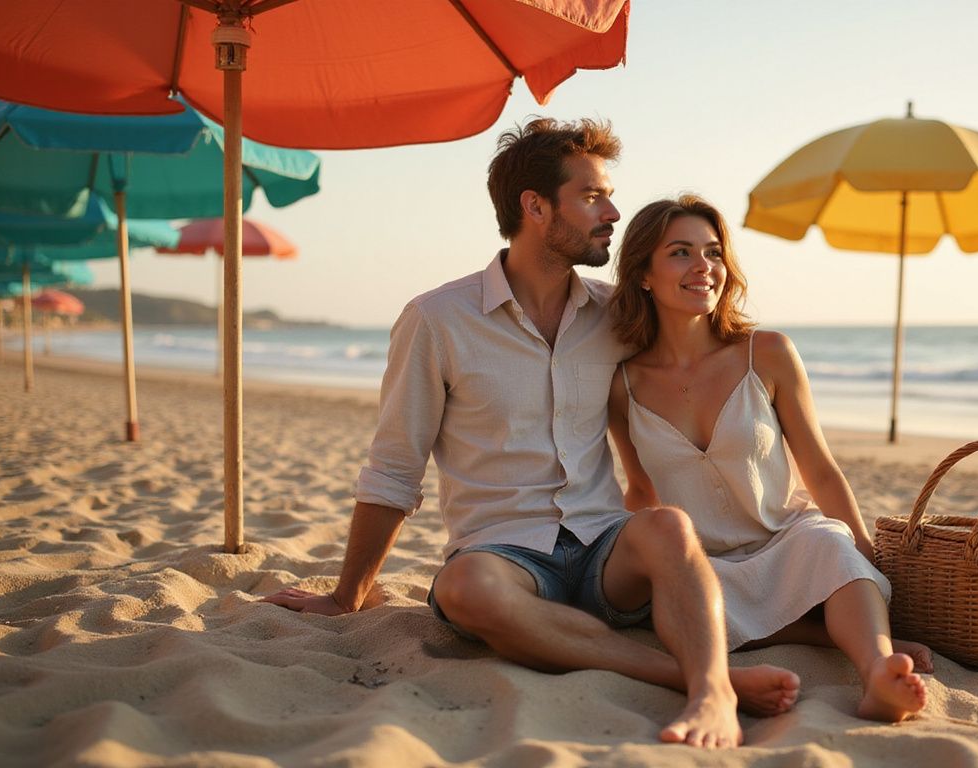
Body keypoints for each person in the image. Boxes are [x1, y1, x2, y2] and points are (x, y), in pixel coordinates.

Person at [262, 120, 800, 748]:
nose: (614, 212)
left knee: (668, 526)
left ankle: (714, 697)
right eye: (593, 196)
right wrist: (346, 595)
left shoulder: (616, 313)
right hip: (506, 553)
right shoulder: (437, 320)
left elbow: (694, 364)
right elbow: (394, 467)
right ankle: (701, 677)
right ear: (536, 207)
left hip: (607, 547)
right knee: (464, 588)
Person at [605, 195, 932, 723]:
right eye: (681, 253)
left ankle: (876, 674)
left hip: (789, 541)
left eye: (713, 253)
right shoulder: (623, 385)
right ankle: (827, 630)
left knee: (830, 543)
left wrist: (868, 559)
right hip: (703, 562)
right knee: (680, 597)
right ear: (643, 273)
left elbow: (820, 469)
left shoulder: (768, 353)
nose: (703, 268)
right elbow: (640, 490)